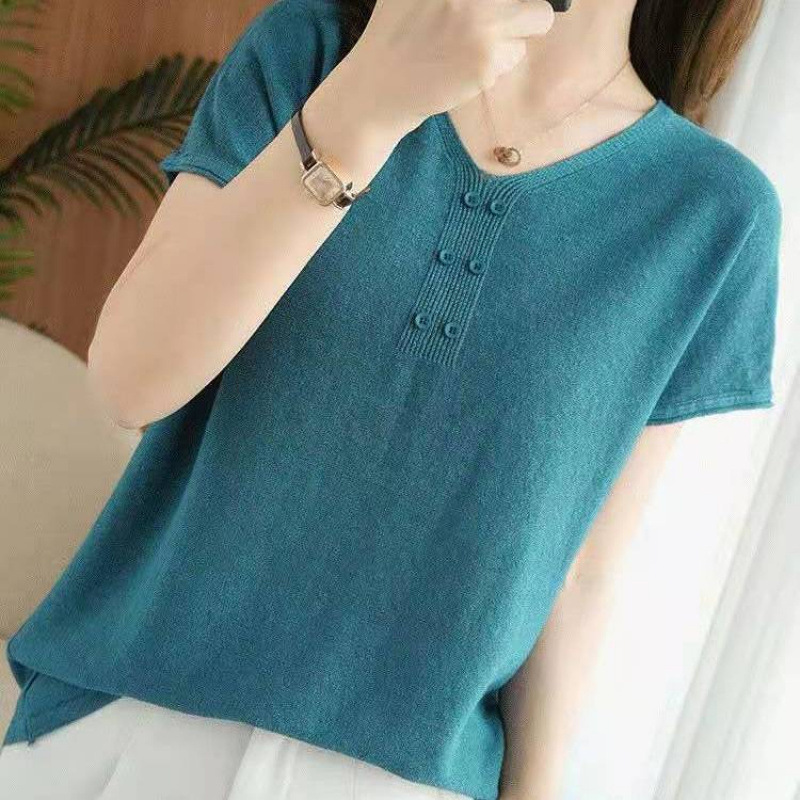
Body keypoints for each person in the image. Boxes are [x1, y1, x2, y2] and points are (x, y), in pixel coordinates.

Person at [0, 0, 782, 798]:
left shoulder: (712, 212)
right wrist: (371, 98)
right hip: (129, 732)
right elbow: (129, 382)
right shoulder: (315, 50)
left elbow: (581, 571)